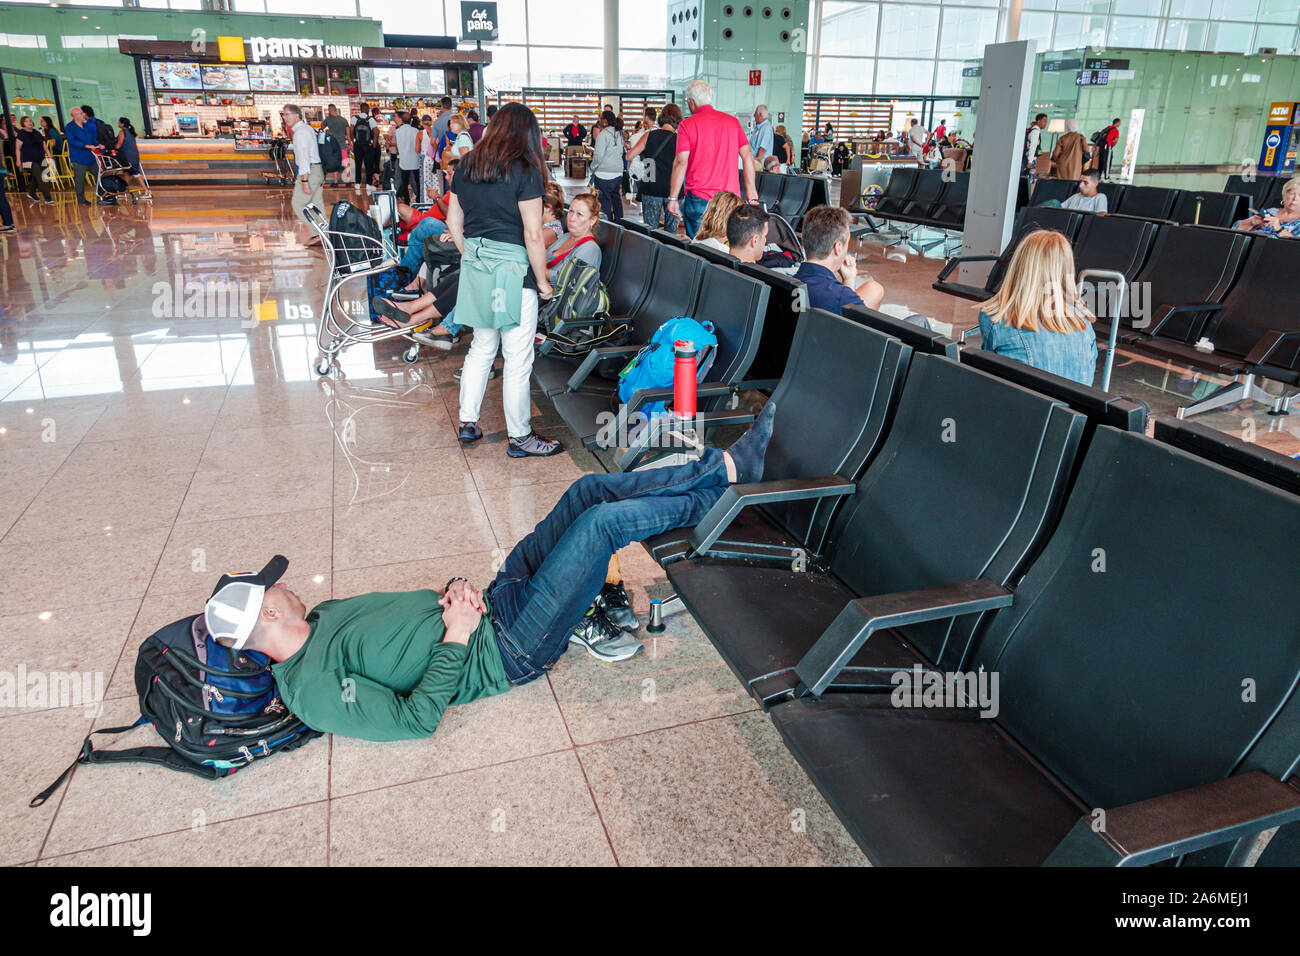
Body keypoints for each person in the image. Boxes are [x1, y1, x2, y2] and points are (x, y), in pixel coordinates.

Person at [206, 407, 778, 739]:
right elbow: (415, 720)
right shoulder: (311, 691)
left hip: (494, 598)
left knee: (586, 491)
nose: (284, 582)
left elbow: (404, 624)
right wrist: (456, 634)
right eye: (273, 585)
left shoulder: (323, 617)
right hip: (507, 647)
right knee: (601, 525)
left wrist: (450, 593)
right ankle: (724, 500)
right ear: (271, 610)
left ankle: (723, 466)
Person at [447, 101, 561, 458]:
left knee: (481, 346)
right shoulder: (525, 169)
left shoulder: (466, 166)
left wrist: (473, 255)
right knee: (516, 357)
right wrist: (543, 283)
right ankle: (521, 436)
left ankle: (468, 423)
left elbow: (453, 224)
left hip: (478, 266)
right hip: (513, 270)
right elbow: (532, 234)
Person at [975, 229, 1098, 386]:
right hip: (1073, 410)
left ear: (1019, 265)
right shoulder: (1083, 320)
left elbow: (986, 378)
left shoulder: (997, 317)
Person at [667, 79, 757, 238]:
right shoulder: (732, 122)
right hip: (730, 201)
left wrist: (673, 198)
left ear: (692, 102)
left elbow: (681, 162)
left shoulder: (687, 125)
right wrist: (751, 192)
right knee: (727, 250)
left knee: (700, 252)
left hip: (699, 198)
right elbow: (748, 156)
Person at [794, 205, 885, 313]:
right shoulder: (842, 297)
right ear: (837, 248)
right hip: (830, 328)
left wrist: (849, 280)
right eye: (846, 244)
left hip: (806, 326)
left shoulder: (791, 281)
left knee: (874, 288)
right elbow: (859, 326)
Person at [627, 103, 682, 233]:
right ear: (678, 120)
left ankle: (652, 252)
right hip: (673, 190)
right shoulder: (680, 139)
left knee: (650, 231)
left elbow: (629, 156)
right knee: (671, 234)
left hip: (651, 186)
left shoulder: (649, 135)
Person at [282, 104, 323, 244]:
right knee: (316, 204)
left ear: (296, 115)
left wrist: (304, 180)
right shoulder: (307, 129)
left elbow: (304, 156)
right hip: (317, 170)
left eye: (287, 114)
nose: (284, 117)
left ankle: (316, 232)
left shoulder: (300, 133)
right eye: (283, 114)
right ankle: (325, 232)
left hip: (309, 172)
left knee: (298, 203)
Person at [543, 191, 603, 285]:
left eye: (579, 214)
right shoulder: (567, 236)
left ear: (592, 220)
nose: (572, 218)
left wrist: (539, 270)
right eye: (571, 211)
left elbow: (569, 280)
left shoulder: (590, 249)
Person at [1234, 176, 1300, 238]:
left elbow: (1296, 245)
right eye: (1291, 193)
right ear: (1284, 196)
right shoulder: (1271, 211)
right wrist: (1251, 222)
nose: (1295, 198)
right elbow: (1234, 229)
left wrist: (1279, 228)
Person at [591, 109, 624, 223]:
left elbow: (598, 156)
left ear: (604, 121)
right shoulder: (618, 132)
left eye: (600, 118)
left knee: (604, 202)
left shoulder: (603, 134)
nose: (599, 120)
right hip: (618, 171)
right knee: (616, 200)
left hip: (604, 173)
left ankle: (607, 226)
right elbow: (621, 152)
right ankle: (620, 225)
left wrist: (592, 167)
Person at [64, 107, 98, 206]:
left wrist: (98, 144)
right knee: (80, 180)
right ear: (74, 115)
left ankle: (102, 195)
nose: (83, 115)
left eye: (82, 113)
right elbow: (72, 141)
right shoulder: (70, 127)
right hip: (78, 157)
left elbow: (92, 139)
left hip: (90, 156)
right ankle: (81, 200)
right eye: (80, 113)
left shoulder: (87, 126)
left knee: (99, 175)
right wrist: (86, 146)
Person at [16, 117, 53, 205]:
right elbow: (17, 148)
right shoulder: (21, 134)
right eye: (27, 121)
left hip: (40, 158)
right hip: (28, 160)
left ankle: (31, 192)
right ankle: (48, 198)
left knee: (37, 178)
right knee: (40, 178)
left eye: (31, 121)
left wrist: (49, 154)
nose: (30, 122)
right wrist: (18, 160)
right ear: (23, 123)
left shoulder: (37, 132)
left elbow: (43, 145)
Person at [114, 118, 148, 198]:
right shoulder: (131, 132)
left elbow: (119, 144)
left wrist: (114, 149)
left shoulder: (122, 132)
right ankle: (123, 192)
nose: (117, 123)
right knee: (126, 173)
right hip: (134, 156)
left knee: (136, 173)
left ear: (122, 124)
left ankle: (146, 191)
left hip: (127, 156)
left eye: (118, 122)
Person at [392, 110, 420, 204]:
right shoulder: (416, 131)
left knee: (404, 183)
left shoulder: (398, 131)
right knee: (417, 181)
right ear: (411, 121)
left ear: (402, 120)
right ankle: (419, 199)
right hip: (415, 159)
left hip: (403, 159)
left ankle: (407, 201)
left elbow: (398, 146)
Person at [1050, 118, 1089, 182]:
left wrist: (1057, 161)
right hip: (1075, 165)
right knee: (1072, 184)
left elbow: (1055, 154)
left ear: (1068, 127)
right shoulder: (1081, 137)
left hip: (1062, 164)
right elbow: (1086, 149)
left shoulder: (1062, 138)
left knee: (1061, 183)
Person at [323, 104, 350, 187]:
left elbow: (321, 128)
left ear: (329, 111)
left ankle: (335, 182)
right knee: (346, 163)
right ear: (336, 110)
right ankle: (348, 181)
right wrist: (349, 143)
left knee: (334, 163)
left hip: (333, 146)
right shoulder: (344, 120)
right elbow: (348, 134)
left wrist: (327, 130)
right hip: (342, 145)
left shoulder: (328, 119)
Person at [352, 110, 377, 188]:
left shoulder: (354, 118)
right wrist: (374, 145)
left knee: (358, 165)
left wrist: (353, 141)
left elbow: (350, 130)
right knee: (368, 165)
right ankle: (368, 184)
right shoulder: (370, 119)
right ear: (367, 110)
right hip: (368, 145)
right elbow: (376, 132)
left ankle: (357, 183)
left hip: (357, 145)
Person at [1024, 112, 1048, 182]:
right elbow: (1032, 147)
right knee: (1029, 181)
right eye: (1044, 121)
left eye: (1046, 122)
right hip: (1031, 159)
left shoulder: (1033, 130)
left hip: (1029, 158)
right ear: (1038, 121)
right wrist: (1030, 161)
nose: (1045, 123)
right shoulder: (1036, 132)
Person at [749, 104, 775, 169]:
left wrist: (756, 166)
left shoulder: (766, 128)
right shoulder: (758, 128)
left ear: (760, 115)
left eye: (755, 113)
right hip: (753, 162)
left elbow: (762, 149)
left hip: (760, 166)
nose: (754, 115)